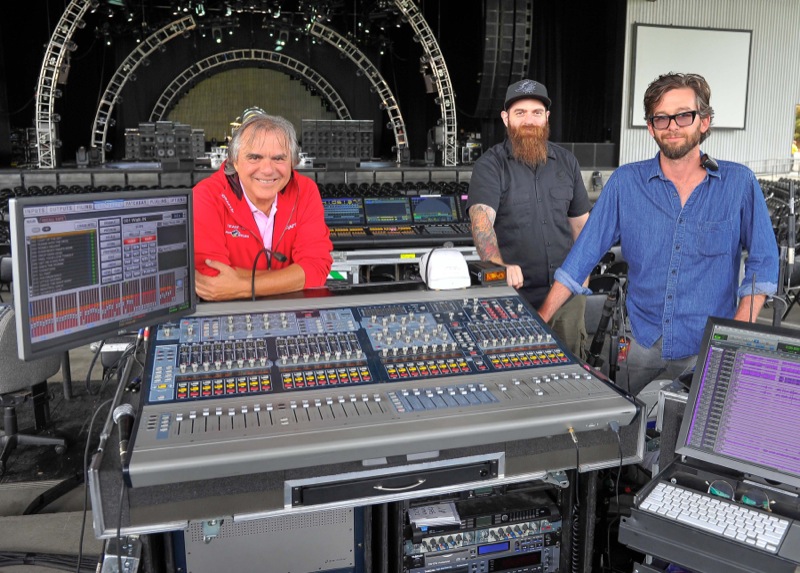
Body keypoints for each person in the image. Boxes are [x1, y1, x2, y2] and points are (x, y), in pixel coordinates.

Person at [538, 72, 779, 395]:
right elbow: (581, 258)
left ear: (704, 121)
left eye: (684, 115)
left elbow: (763, 264)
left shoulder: (739, 184)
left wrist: (733, 338)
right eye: (661, 118)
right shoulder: (625, 183)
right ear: (651, 128)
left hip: (708, 347)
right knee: (627, 431)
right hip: (642, 344)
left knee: (692, 442)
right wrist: (540, 322)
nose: (673, 126)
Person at [467, 79, 591, 358]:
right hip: (514, 299)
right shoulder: (490, 165)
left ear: (547, 117)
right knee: (517, 373)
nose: (529, 120)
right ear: (506, 118)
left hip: (567, 298)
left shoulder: (568, 162)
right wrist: (499, 266)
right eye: (520, 113)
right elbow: (481, 222)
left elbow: (582, 226)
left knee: (571, 376)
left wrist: (585, 273)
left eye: (536, 112)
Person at [193, 112, 332, 301]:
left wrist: (242, 287)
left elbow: (316, 270)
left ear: (293, 162)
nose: (267, 170)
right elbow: (213, 280)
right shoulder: (206, 197)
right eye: (255, 157)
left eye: (279, 158)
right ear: (234, 160)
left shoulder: (305, 191)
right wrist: (292, 277)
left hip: (291, 312)